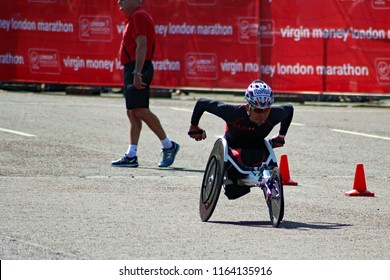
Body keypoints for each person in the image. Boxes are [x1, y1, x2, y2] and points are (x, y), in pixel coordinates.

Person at [188, 80, 294, 199]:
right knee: (233, 191)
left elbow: (289, 109)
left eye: (266, 110)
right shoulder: (233, 113)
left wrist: (281, 136)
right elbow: (202, 103)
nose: (262, 115)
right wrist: (194, 126)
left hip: (257, 146)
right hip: (232, 147)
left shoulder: (275, 114)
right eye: (258, 110)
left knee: (261, 157)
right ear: (248, 107)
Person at [112, 0, 180, 168]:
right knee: (132, 112)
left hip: (138, 67)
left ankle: (168, 145)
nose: (119, 1)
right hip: (133, 67)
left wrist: (137, 72)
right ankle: (131, 154)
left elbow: (142, 45)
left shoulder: (139, 16)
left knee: (140, 110)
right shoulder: (135, 17)